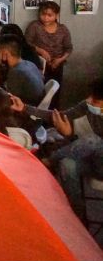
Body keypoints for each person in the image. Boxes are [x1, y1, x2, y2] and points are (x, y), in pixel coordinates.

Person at [11, 77, 103, 219]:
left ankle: (48, 161)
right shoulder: (88, 106)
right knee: (67, 164)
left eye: (96, 101)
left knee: (93, 140)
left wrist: (69, 134)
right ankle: (77, 215)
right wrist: (24, 108)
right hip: (90, 159)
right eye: (90, 97)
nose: (90, 101)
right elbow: (59, 116)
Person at [25, 1, 73, 90]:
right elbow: (26, 43)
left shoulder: (63, 29)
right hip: (38, 65)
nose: (46, 18)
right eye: (43, 14)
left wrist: (59, 60)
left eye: (50, 15)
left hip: (57, 66)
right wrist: (40, 50)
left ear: (56, 15)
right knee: (39, 90)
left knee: (54, 90)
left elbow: (68, 48)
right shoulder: (35, 26)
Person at [0, 34, 45, 107]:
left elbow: (11, 100)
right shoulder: (29, 63)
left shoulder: (16, 72)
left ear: (5, 53)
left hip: (25, 110)